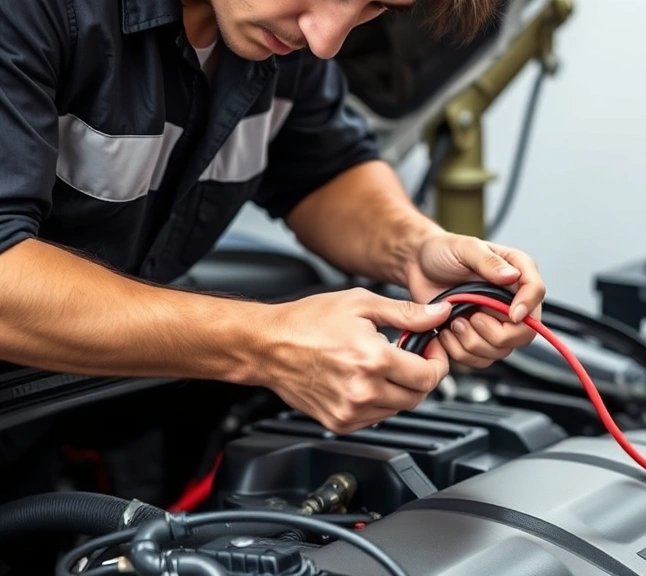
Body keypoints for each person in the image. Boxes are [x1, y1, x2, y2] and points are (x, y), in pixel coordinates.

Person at [0, 0, 545, 436]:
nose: (326, 39)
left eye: (376, 6)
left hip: (66, 427)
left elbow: (323, 170)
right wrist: (268, 344)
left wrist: (415, 247)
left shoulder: (275, 37)